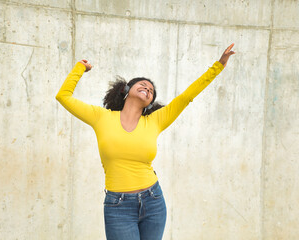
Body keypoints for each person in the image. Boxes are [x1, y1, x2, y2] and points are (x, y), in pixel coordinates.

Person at [56, 43, 235, 240]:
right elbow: (63, 96)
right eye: (142, 84)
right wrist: (80, 67)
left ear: (150, 103)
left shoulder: (155, 121)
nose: (147, 88)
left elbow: (187, 96)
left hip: (153, 201)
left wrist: (218, 66)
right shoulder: (101, 117)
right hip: (118, 206)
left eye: (151, 90)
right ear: (126, 90)